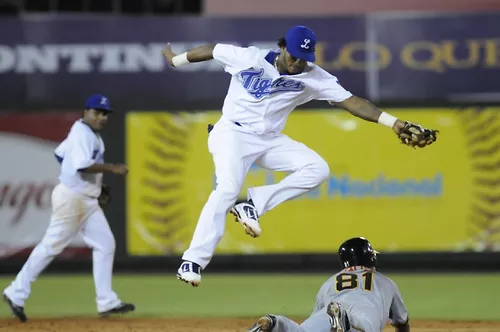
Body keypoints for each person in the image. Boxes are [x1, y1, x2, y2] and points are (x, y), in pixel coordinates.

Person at [161, 25, 437, 287]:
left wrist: (396, 123)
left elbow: (353, 102)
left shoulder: (313, 75)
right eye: (294, 56)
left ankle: (254, 204)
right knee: (227, 189)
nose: (298, 63)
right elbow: (211, 49)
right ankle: (192, 261)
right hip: (232, 133)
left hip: (268, 140)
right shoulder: (249, 57)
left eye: (304, 58)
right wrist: (177, 62)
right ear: (282, 48)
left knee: (317, 168)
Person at [3, 94, 135, 322]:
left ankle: (106, 301)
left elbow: (60, 154)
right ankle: (16, 291)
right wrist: (112, 169)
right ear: (86, 111)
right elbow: (82, 165)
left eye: (105, 113)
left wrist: (97, 186)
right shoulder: (82, 133)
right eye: (97, 112)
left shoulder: (85, 133)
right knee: (51, 246)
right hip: (73, 199)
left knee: (105, 244)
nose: (101, 117)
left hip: (86, 200)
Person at [247, 237, 410, 332]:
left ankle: (275, 322)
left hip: (328, 313)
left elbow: (315, 318)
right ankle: (345, 318)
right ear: (370, 258)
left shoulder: (330, 282)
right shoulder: (386, 282)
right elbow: (402, 323)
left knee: (302, 331)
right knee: (366, 327)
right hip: (357, 321)